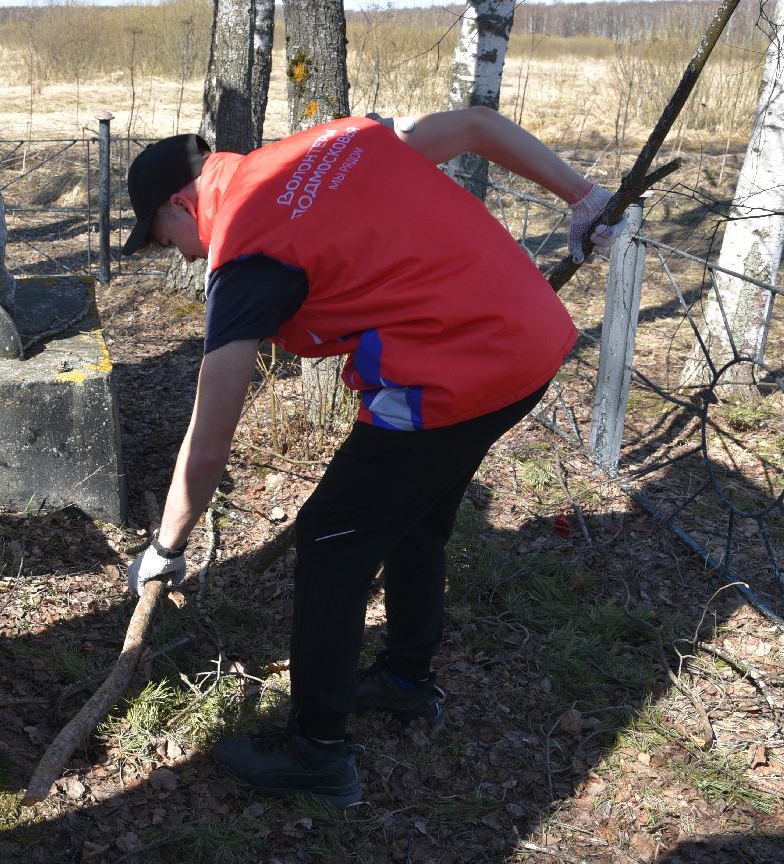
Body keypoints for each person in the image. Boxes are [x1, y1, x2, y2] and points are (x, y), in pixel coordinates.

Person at [121, 108, 625, 806]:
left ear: (183, 202)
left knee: (331, 540)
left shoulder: (247, 255)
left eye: (162, 236)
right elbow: (476, 125)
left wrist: (167, 547)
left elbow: (208, 445)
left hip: (458, 371)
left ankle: (318, 752)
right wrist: (585, 196)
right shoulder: (330, 143)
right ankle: (405, 682)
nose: (178, 254)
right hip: (530, 341)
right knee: (416, 515)